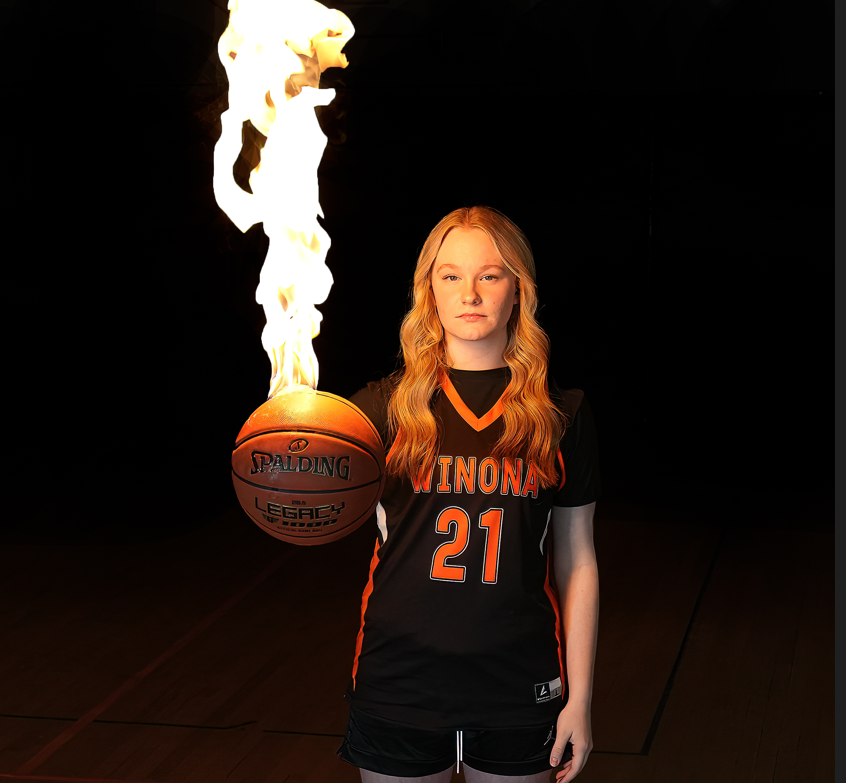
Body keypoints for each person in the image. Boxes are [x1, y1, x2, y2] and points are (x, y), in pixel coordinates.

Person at [338, 205, 601, 783]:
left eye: (491, 274)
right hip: (397, 679)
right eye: (450, 275)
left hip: (519, 680)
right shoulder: (378, 409)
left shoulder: (561, 415)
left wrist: (579, 699)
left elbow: (578, 561)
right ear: (429, 291)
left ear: (518, 290)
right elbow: (312, 492)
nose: (471, 293)